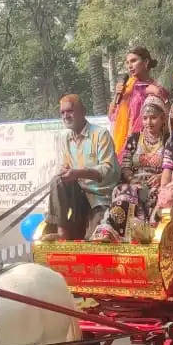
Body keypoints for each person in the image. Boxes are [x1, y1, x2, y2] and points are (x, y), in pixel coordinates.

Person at [45, 94, 121, 241]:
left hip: (100, 197)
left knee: (91, 240)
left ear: (83, 112)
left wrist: (79, 173)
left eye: (70, 111)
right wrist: (65, 171)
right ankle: (61, 230)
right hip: (78, 195)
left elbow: (108, 170)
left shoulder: (100, 134)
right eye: (62, 112)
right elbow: (64, 166)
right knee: (58, 180)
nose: (66, 116)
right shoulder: (63, 138)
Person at [97, 94, 168, 240]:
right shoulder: (135, 139)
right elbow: (126, 166)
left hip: (159, 183)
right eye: (145, 118)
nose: (148, 122)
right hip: (135, 182)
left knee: (154, 196)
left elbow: (172, 166)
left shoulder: (169, 140)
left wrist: (161, 177)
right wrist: (132, 179)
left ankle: (144, 233)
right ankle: (110, 233)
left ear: (162, 119)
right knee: (123, 191)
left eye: (153, 117)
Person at [109, 46, 170, 155]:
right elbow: (112, 116)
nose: (129, 66)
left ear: (146, 62)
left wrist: (158, 94)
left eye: (133, 61)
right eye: (127, 63)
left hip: (146, 145)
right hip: (124, 143)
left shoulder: (155, 88)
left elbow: (169, 117)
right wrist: (116, 96)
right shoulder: (126, 87)